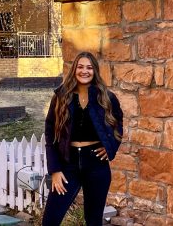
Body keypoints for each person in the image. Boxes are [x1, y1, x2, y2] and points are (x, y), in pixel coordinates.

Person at [42, 51, 123, 226]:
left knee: (93, 221)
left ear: (95, 71)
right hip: (67, 164)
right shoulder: (61, 96)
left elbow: (118, 124)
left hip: (96, 164)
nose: (84, 71)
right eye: (80, 67)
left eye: (89, 67)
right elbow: (50, 134)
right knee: (50, 220)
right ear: (74, 70)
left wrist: (111, 147)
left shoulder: (106, 97)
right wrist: (55, 170)